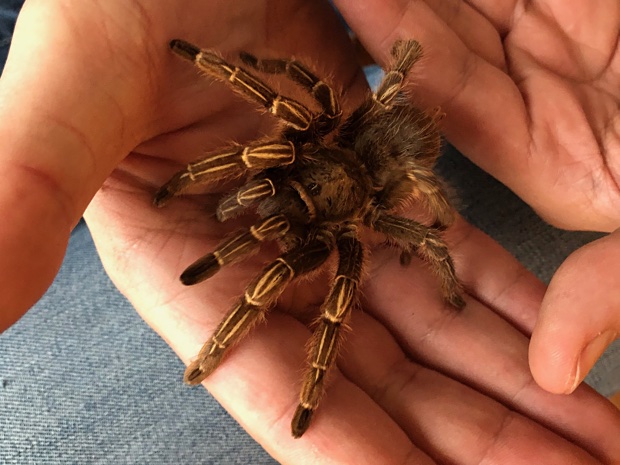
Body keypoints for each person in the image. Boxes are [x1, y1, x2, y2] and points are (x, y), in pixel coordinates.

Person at [0, 0, 618, 463]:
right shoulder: (304, 143)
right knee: (285, 123)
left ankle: (230, 352)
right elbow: (292, 88)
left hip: (373, 175)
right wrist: (233, 74)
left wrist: (442, 261)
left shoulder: (369, 215)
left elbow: (429, 229)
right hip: (336, 148)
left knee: (334, 290)